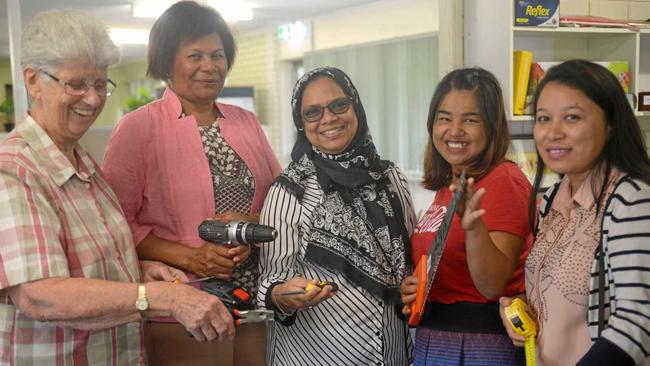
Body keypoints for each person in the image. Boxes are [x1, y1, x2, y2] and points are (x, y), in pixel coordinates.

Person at [0, 9, 235, 365]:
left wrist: (136, 272)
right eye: (76, 84)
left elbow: (85, 263)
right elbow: (40, 294)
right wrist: (157, 297)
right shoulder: (14, 171)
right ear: (33, 80)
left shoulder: (84, 165)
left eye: (100, 85)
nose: (93, 99)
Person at [102, 1, 281, 365]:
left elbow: (281, 200)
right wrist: (193, 257)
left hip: (255, 303)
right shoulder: (138, 128)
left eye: (217, 55)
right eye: (194, 55)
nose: (209, 66)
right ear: (167, 62)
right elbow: (115, 224)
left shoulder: (245, 122)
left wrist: (251, 225)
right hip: (182, 306)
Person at [257, 66, 416, 365]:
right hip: (318, 356)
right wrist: (282, 295)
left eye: (339, 105)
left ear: (355, 107)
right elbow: (268, 283)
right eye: (313, 113)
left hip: (394, 352)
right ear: (301, 124)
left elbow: (409, 262)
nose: (328, 119)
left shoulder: (389, 177)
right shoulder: (291, 190)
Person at [499, 60, 650, 365]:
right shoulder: (554, 197)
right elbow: (565, 296)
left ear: (610, 125)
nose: (553, 132)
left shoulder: (632, 200)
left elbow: (638, 320)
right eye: (543, 118)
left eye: (571, 117)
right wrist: (524, 306)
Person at [400, 68, 531, 365]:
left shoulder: (503, 180)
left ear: (491, 127)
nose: (454, 130)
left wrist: (475, 230)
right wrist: (416, 286)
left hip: (480, 344)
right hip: (435, 337)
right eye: (444, 118)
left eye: (470, 120)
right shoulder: (453, 185)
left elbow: (492, 284)